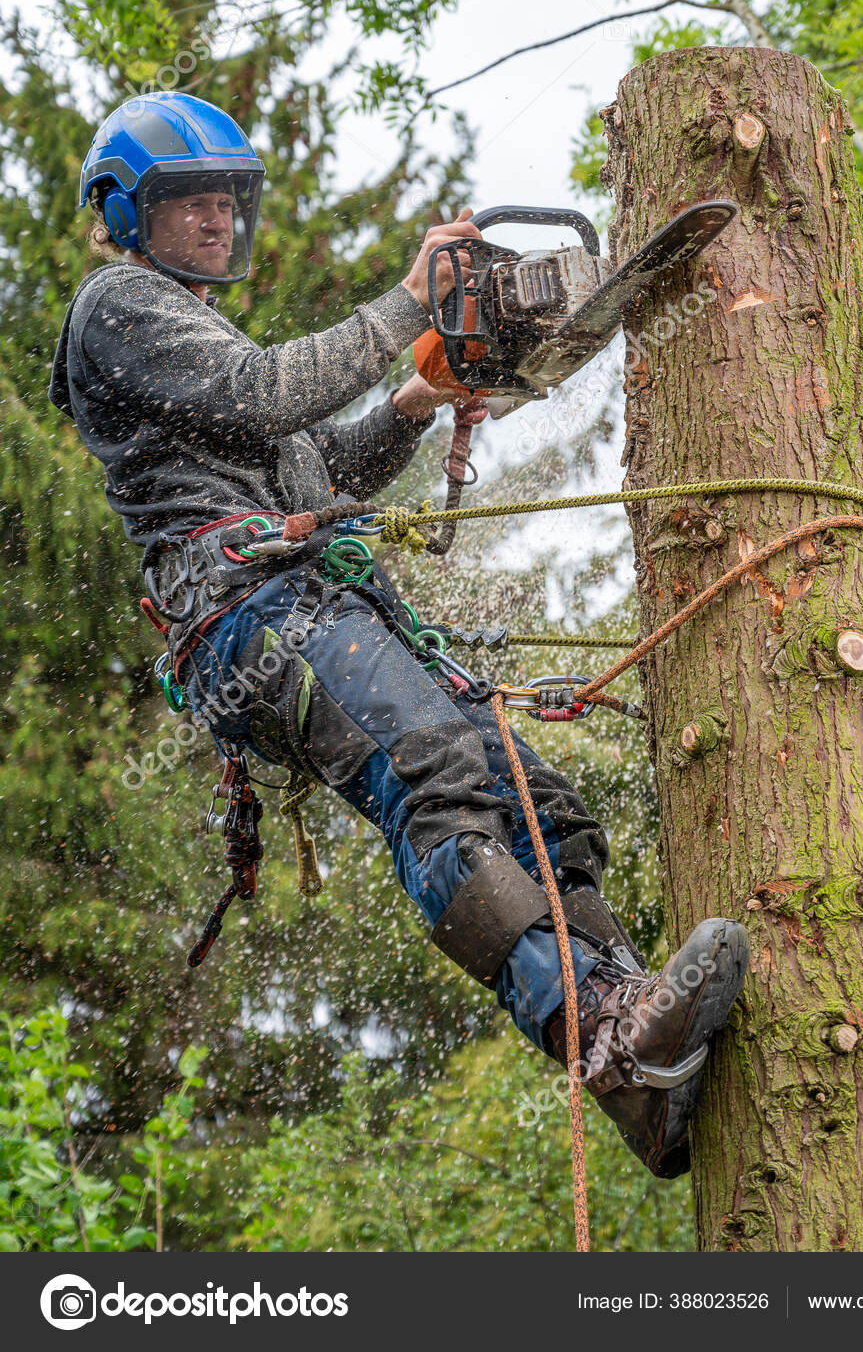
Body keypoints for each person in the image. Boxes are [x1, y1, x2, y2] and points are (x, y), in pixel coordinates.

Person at [48, 92, 748, 1179]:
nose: (218, 221)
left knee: (536, 795)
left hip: (321, 598)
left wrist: (415, 398)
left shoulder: (195, 325)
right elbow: (267, 393)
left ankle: (637, 1037)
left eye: (229, 200)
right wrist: (405, 302)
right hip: (249, 620)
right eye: (190, 200)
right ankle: (601, 1040)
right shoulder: (118, 306)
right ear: (127, 209)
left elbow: (311, 461)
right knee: (435, 773)